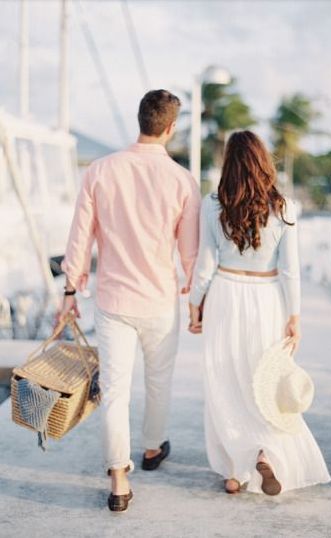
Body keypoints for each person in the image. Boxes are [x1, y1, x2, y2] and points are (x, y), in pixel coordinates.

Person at [58, 89, 201, 512]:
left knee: (116, 390)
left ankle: (118, 476)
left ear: (139, 120)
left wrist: (70, 289)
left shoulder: (100, 171)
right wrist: (196, 299)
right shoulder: (182, 180)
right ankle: (153, 448)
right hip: (159, 300)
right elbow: (189, 253)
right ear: (171, 128)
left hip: (113, 301)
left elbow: (80, 237)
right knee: (159, 382)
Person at [188, 130, 331, 495]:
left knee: (225, 381)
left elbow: (204, 266)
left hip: (225, 295)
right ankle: (265, 454)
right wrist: (294, 316)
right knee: (261, 380)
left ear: (229, 164)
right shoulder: (284, 207)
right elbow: (291, 270)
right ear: (263, 163)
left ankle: (235, 471)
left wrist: (194, 306)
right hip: (267, 298)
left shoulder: (213, 203)